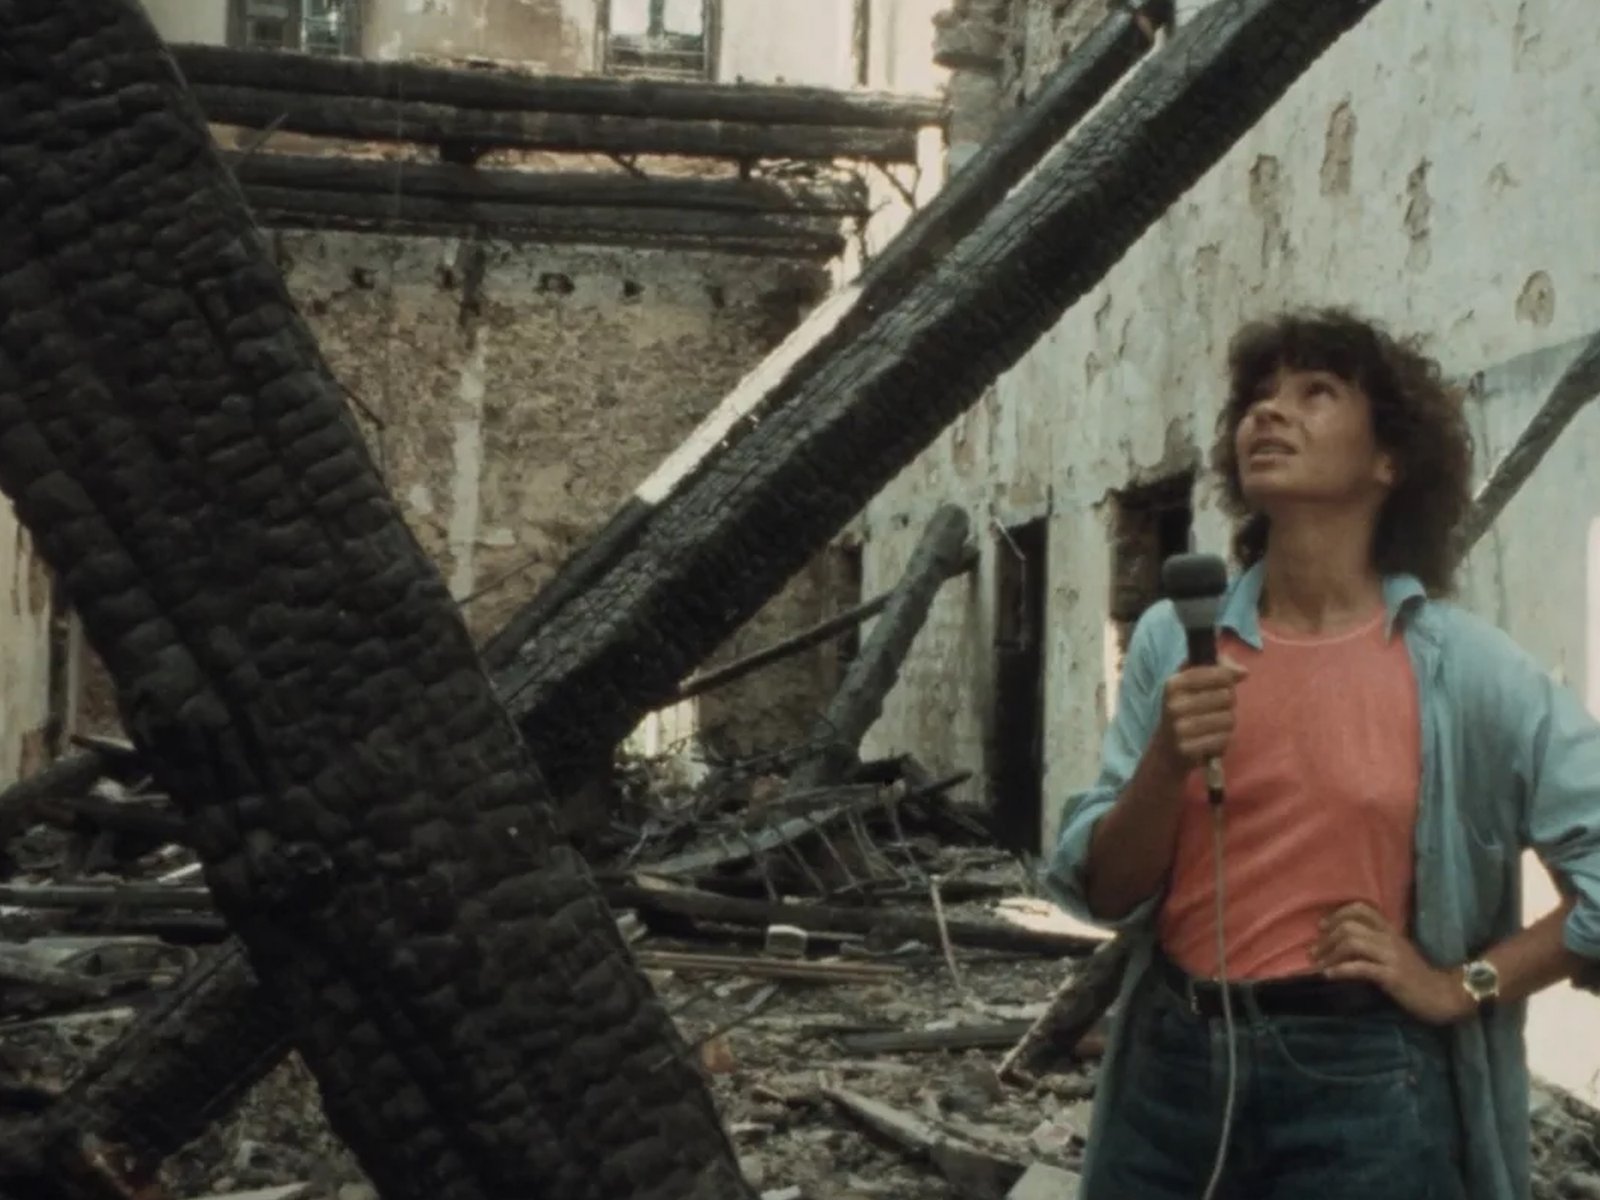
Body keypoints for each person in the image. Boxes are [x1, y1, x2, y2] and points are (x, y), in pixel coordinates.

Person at [1044, 308, 1600, 1200]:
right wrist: (1165, 764)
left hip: (1363, 1084)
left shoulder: (1468, 671)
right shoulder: (1176, 637)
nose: (1268, 412)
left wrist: (1459, 985)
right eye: (1258, 397)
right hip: (1168, 1070)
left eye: (1316, 393)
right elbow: (1106, 893)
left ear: (1390, 460)